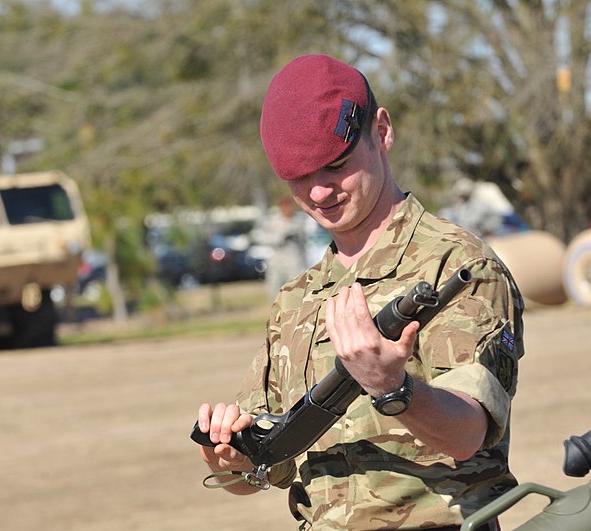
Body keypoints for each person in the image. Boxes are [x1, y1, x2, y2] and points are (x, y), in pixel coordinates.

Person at [195, 54, 524, 530]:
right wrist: (226, 457)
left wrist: (394, 389)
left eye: (335, 166)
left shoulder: (457, 266)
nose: (320, 193)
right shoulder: (296, 300)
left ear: (382, 131)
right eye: (299, 178)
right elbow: (268, 467)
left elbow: (468, 432)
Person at [258, 196, 310, 300]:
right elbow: (262, 238)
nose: (288, 209)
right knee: (275, 291)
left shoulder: (298, 221)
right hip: (277, 261)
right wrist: (280, 237)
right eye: (285, 206)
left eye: (289, 206)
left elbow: (304, 241)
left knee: (297, 290)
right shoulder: (273, 220)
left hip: (294, 260)